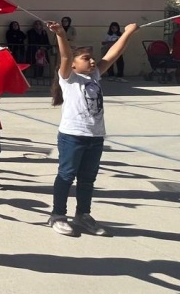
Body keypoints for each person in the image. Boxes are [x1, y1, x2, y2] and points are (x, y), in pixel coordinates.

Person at [46, 19, 138, 237]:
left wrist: (128, 33)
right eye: (86, 58)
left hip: (95, 137)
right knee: (66, 175)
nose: (93, 61)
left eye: (93, 57)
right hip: (73, 136)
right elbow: (66, 56)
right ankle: (57, 215)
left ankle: (83, 215)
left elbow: (113, 54)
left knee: (88, 179)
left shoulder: (95, 75)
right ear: (75, 65)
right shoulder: (69, 78)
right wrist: (60, 34)